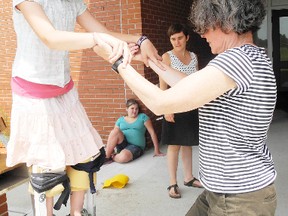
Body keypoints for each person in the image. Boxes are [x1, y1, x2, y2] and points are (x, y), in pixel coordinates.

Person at [94, 0, 278, 215]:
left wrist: (118, 62)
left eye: (207, 26)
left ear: (226, 22)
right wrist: (151, 60)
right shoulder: (253, 56)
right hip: (224, 190)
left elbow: (160, 102)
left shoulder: (235, 60)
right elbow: (187, 84)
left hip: (239, 197)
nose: (202, 34)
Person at [7, 0, 162, 215]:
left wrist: (140, 40)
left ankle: (77, 212)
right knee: (47, 173)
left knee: (84, 160)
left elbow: (103, 32)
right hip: (34, 95)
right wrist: (97, 39)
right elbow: (50, 37)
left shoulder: (72, 3)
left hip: (65, 92)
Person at [160, 23, 202, 199]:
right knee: (174, 145)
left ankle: (188, 178)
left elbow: (197, 81)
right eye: (173, 39)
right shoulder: (167, 57)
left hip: (191, 105)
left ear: (187, 38)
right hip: (174, 106)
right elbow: (163, 84)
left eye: (179, 38)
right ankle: (172, 183)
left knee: (187, 143)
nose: (176, 42)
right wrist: (166, 108)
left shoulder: (193, 56)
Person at [105, 98, 165, 163]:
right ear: (127, 109)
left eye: (136, 109)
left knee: (123, 157)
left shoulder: (143, 117)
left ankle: (114, 156)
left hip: (136, 147)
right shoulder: (120, 120)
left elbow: (152, 133)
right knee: (115, 131)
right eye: (132, 108)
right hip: (122, 143)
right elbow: (114, 136)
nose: (135, 111)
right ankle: (106, 158)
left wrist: (157, 150)